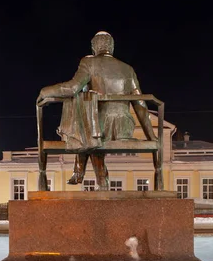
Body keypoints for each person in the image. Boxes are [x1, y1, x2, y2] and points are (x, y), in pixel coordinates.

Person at [37, 31, 156, 190]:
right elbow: (140, 104)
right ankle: (98, 180)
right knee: (91, 130)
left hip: (97, 129)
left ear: (94, 47)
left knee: (89, 130)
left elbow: (73, 88)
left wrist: (45, 91)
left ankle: (91, 176)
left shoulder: (88, 62)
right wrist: (153, 138)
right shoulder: (128, 69)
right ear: (111, 47)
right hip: (124, 129)